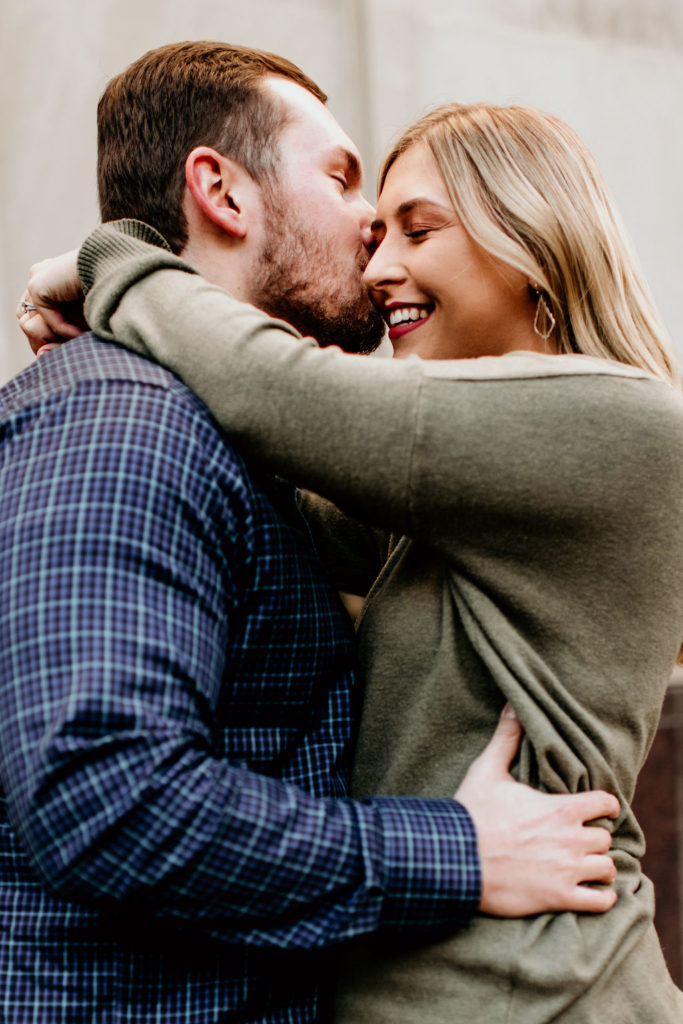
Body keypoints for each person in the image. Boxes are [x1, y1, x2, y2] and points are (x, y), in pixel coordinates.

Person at [23, 98, 683, 1021]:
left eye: (417, 229)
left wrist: (114, 263)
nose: (379, 269)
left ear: (532, 237)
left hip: (540, 993)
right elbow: (278, 470)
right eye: (375, 235)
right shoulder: (454, 499)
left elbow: (276, 394)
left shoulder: (621, 424)